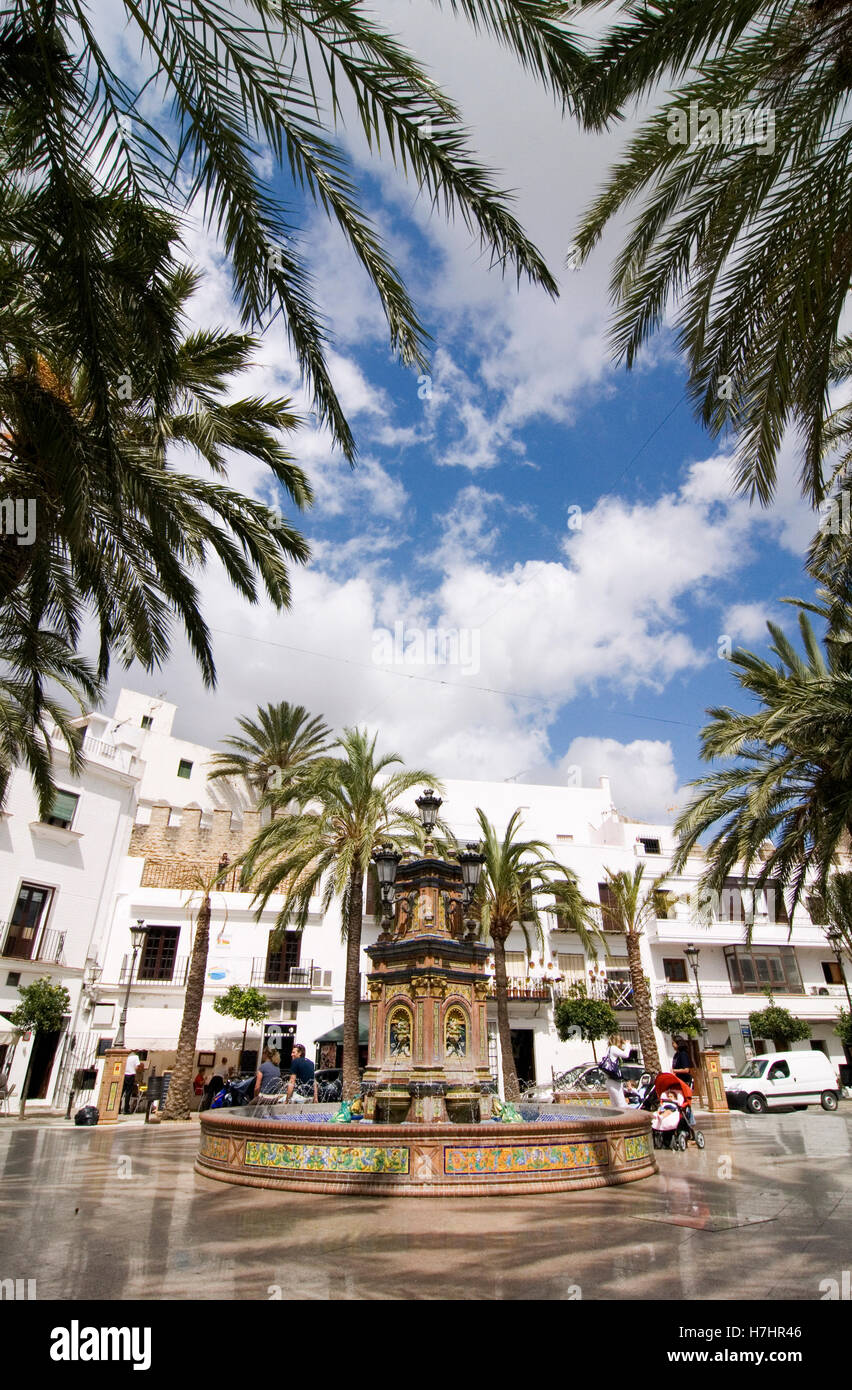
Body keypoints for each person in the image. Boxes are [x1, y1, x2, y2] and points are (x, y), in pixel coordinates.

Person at [600, 1034, 632, 1108]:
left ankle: (616, 1119)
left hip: (610, 1081)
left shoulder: (609, 1049)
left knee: (615, 1105)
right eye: (620, 1042)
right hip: (614, 1081)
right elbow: (626, 1054)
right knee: (622, 1105)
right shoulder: (613, 1048)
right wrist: (628, 1044)